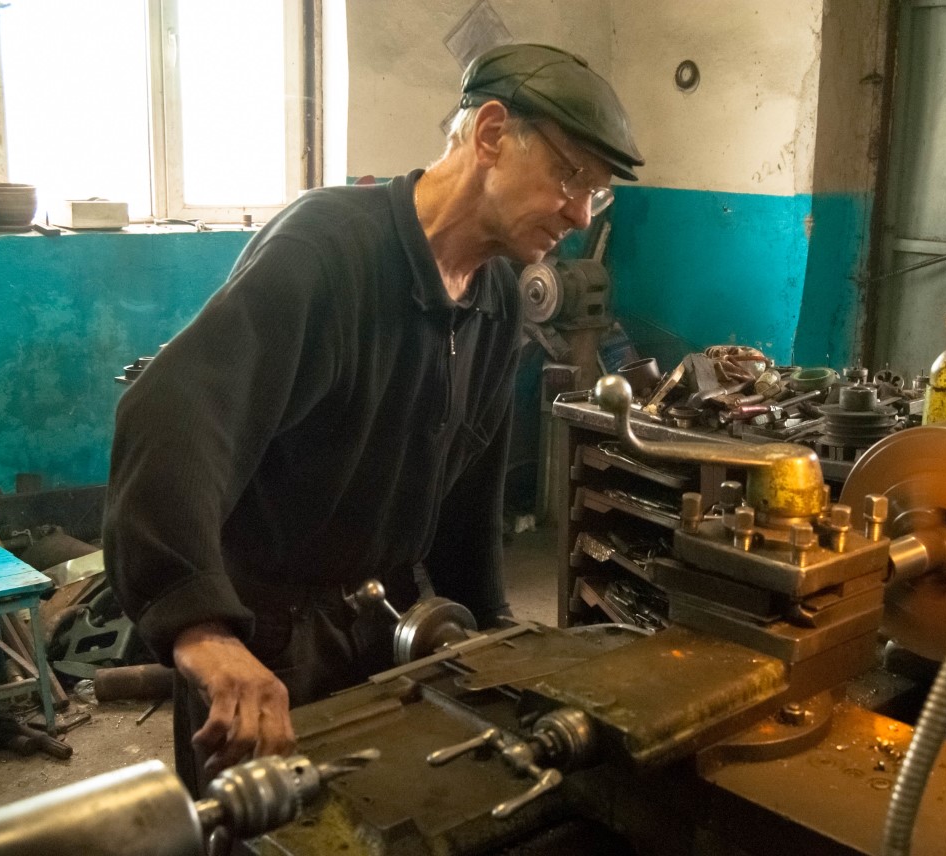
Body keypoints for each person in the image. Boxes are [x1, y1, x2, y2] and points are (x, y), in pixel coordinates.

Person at [103, 43, 643, 793]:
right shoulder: (326, 251)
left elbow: (468, 499)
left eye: (597, 195)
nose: (581, 214)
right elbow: (171, 418)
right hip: (266, 637)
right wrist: (201, 630)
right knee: (264, 830)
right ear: (491, 134)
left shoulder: (497, 301)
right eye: (571, 176)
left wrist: (489, 633)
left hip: (385, 620)